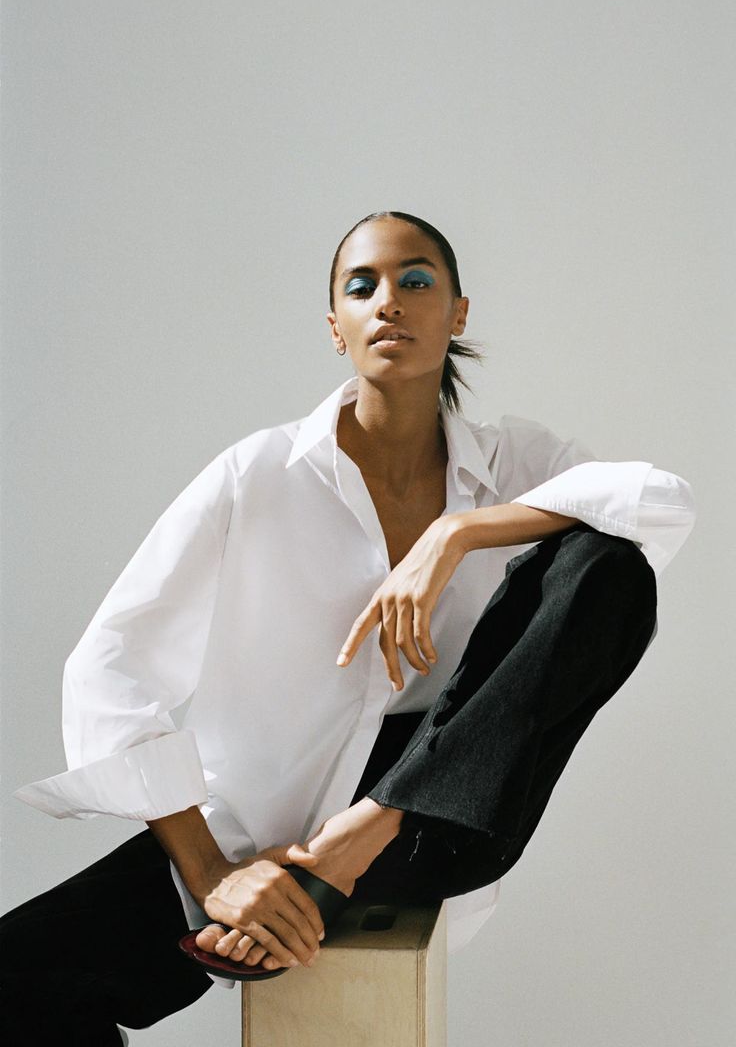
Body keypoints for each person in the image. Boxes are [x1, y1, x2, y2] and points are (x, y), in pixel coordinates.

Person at [1, 211, 696, 1045]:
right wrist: (215, 873)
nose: (388, 302)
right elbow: (110, 665)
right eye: (360, 286)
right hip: (261, 820)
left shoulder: (514, 461)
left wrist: (459, 532)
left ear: (458, 313)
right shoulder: (257, 475)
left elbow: (663, 502)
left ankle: (355, 842)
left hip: (433, 825)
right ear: (336, 326)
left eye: (416, 281)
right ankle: (291, 888)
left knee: (606, 561)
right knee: (14, 982)